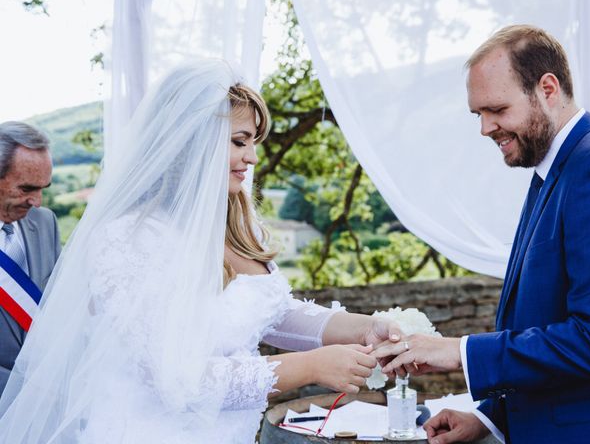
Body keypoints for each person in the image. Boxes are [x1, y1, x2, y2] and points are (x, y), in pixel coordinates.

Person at [0, 61, 400, 443]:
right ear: (192, 140)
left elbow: (270, 314)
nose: (252, 157)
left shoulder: (236, 224)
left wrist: (364, 327)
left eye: (254, 142)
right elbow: (178, 380)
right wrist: (309, 367)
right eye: (239, 141)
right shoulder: (128, 239)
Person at [373, 25, 590, 443]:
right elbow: (544, 321)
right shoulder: (552, 171)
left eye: (497, 109)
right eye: (477, 114)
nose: (485, 128)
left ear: (547, 89)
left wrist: (460, 352)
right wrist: (491, 418)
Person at [0, 121, 61, 396]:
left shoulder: (46, 222)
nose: (37, 201)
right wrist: (26, 393)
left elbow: (60, 305)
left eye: (43, 188)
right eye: (26, 189)